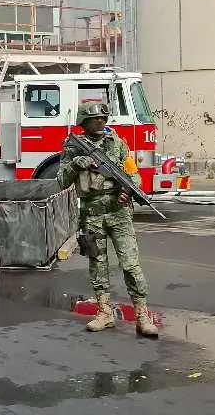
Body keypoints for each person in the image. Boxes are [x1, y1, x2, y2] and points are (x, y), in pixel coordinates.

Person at [57, 101, 159, 337]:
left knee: (131, 264)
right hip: (91, 214)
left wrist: (129, 189)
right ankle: (104, 312)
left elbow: (132, 173)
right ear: (84, 121)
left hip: (118, 213)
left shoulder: (118, 144)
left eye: (104, 118)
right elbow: (61, 180)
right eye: (96, 119)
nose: (101, 122)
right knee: (98, 264)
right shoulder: (72, 147)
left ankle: (142, 314)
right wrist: (75, 165)